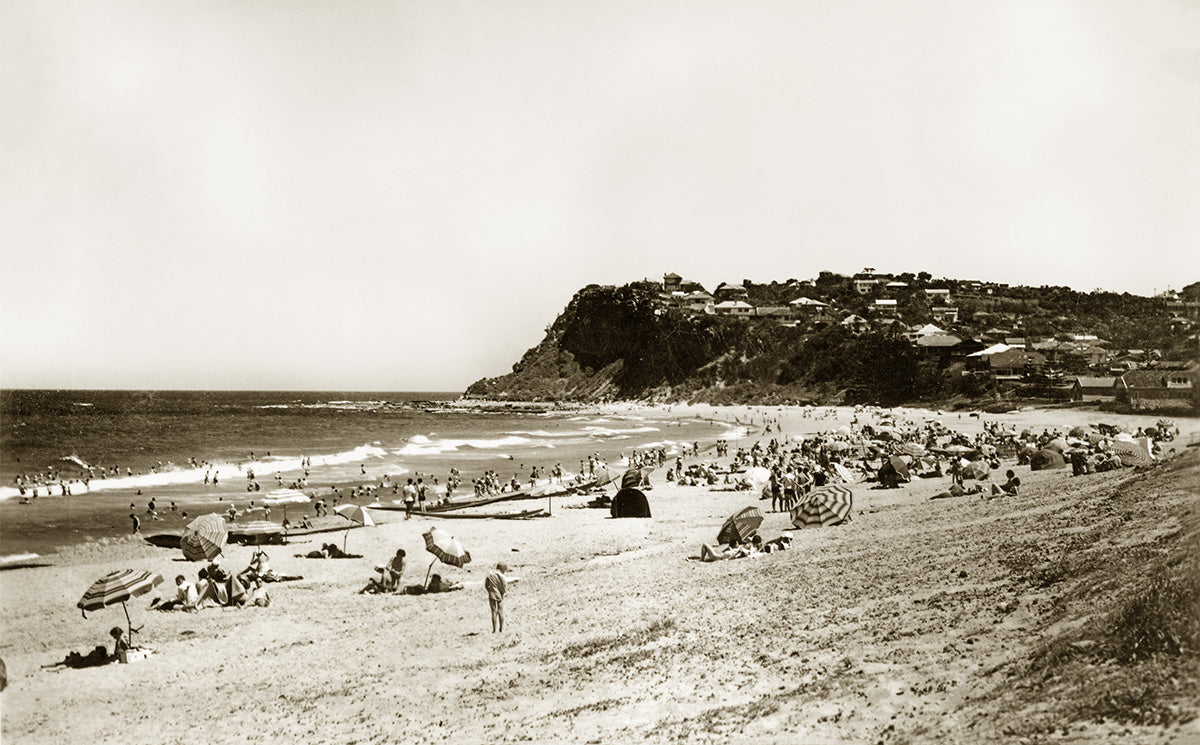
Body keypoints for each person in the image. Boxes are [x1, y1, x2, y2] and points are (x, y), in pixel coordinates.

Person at [485, 562, 508, 633]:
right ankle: (501, 629)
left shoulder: (490, 574)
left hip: (492, 594)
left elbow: (486, 584)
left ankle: (494, 630)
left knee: (493, 612)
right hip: (499, 595)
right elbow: (504, 585)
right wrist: (503, 593)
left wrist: (489, 590)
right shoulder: (502, 576)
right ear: (503, 569)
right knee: (501, 611)